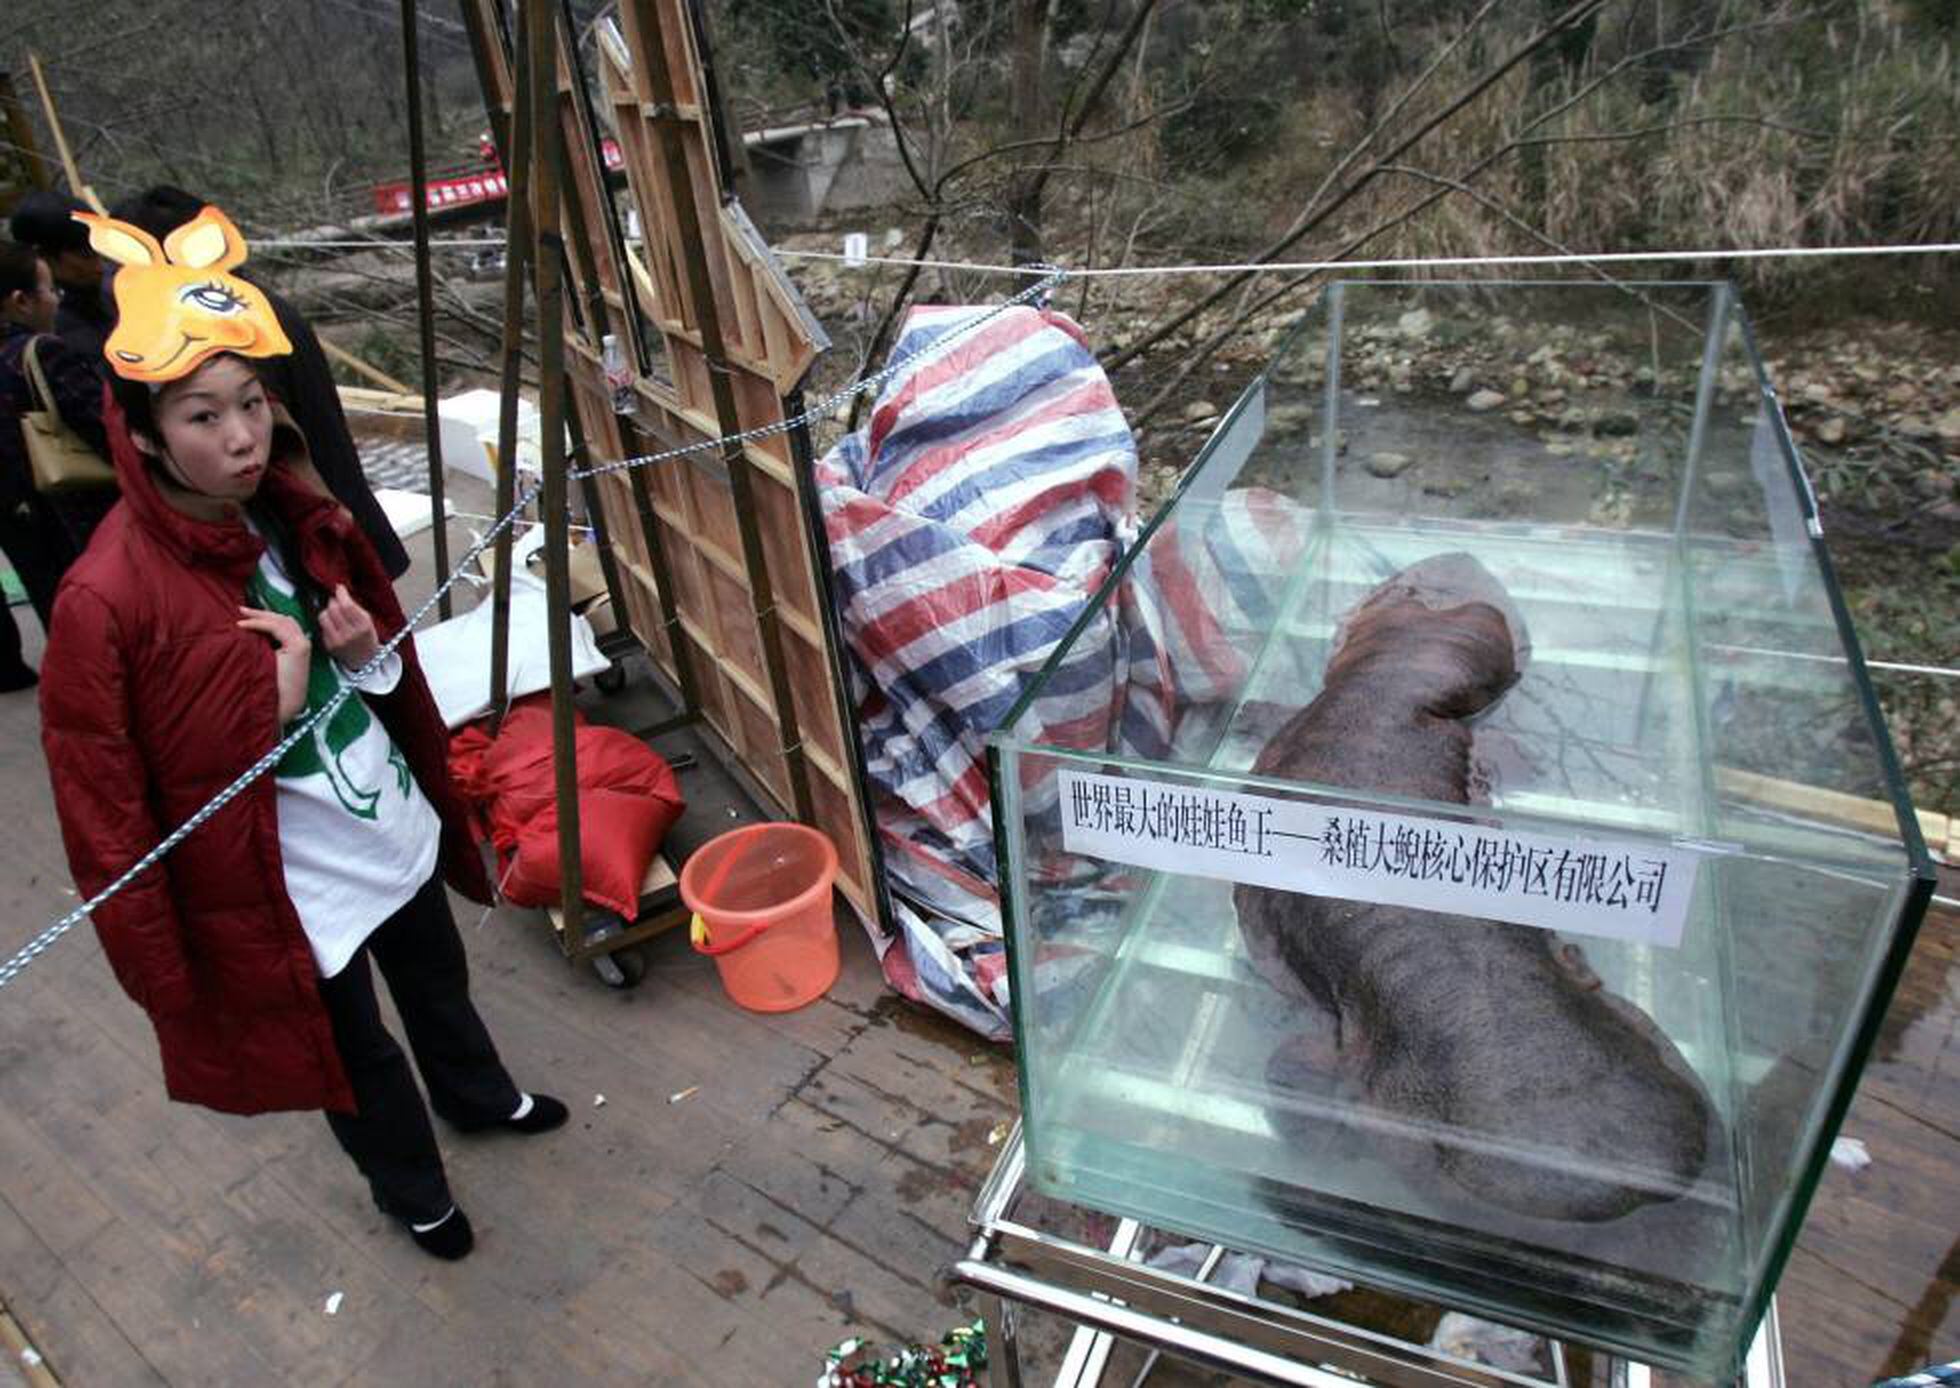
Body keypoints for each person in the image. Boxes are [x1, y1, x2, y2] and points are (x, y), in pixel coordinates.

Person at [39, 204, 561, 1261]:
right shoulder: (104, 599)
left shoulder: (287, 508)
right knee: (350, 1044)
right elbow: (112, 811)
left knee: (434, 974)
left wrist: (361, 648)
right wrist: (266, 710)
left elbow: (365, 679)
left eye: (249, 403)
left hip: (374, 817)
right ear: (139, 431)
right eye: (199, 416)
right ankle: (409, 1185)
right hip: (280, 877)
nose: (239, 437)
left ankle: (477, 1095)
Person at [108, 185, 411, 578]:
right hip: (329, 518)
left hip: (312, 536)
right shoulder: (248, 308)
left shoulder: (230, 336)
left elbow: (273, 461)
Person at [0, 240, 108, 689]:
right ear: (20, 301)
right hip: (74, 509)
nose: (56, 298)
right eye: (47, 289)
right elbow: (104, 424)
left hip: (15, 513)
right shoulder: (41, 353)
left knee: (59, 609)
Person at [8, 190, 114, 361]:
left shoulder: (111, 286)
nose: (99, 266)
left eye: (99, 253)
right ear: (43, 257)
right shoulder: (45, 323)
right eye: (85, 255)